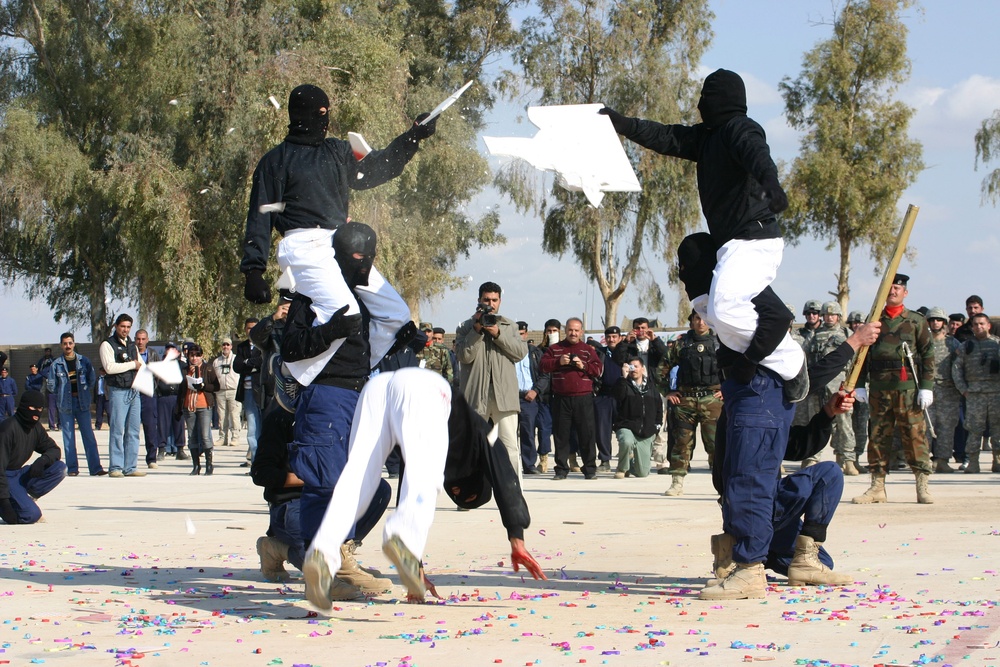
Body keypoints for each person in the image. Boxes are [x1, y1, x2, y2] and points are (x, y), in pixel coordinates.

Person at [600, 69, 804, 387]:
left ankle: (788, 360)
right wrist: (623, 124)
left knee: (724, 309)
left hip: (754, 239)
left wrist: (771, 185)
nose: (699, 104)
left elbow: (757, 156)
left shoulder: (740, 129)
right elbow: (666, 136)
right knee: (697, 264)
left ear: (721, 101)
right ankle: (759, 332)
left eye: (705, 99)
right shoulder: (705, 138)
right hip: (729, 244)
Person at [301, 367, 546, 609]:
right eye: (464, 495)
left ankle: (322, 552)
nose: (456, 492)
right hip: (426, 388)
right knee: (427, 481)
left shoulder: (429, 443)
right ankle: (403, 537)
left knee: (358, 480)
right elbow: (506, 478)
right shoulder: (484, 434)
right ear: (475, 487)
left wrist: (415, 568)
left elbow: (409, 486)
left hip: (378, 387)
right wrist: (517, 538)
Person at [241, 84, 434, 387]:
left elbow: (376, 168)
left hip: (338, 242)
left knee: (396, 314)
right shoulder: (276, 160)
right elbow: (259, 217)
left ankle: (358, 372)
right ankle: (292, 371)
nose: (326, 119)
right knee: (347, 313)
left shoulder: (337, 151)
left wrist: (412, 138)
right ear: (304, 115)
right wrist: (253, 269)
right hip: (302, 244)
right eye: (321, 113)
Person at [282, 222, 399, 601]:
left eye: (368, 260)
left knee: (372, 488)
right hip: (325, 398)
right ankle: (321, 569)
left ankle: (338, 558)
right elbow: (292, 348)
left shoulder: (367, 299)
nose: (362, 267)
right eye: (355, 259)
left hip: (357, 397)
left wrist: (404, 339)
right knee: (325, 485)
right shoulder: (311, 296)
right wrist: (331, 329)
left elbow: (374, 343)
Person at [853, 274, 935, 504]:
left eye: (897, 288)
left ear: (905, 292)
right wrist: (859, 385)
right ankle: (877, 486)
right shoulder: (874, 319)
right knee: (878, 436)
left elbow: (928, 354)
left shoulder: (917, 321)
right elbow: (862, 353)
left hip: (908, 389)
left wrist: (926, 387)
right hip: (879, 389)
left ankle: (922, 484)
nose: (893, 291)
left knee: (914, 436)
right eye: (889, 287)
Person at [455, 281, 528, 482]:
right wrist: (476, 330)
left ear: (500, 301)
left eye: (494, 300)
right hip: (475, 396)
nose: (490, 304)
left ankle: (515, 495)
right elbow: (463, 356)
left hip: (503, 396)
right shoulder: (465, 327)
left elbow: (520, 353)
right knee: (471, 447)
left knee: (510, 446)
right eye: (486, 299)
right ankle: (468, 493)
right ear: (479, 300)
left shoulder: (509, 326)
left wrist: (498, 334)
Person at [662, 311, 722, 496]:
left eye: (704, 318)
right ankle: (677, 482)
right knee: (681, 442)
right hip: (685, 400)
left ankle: (723, 484)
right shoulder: (682, 344)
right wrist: (667, 391)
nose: (701, 322)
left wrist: (728, 390)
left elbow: (735, 368)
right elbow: (662, 367)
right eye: (696, 318)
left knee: (715, 444)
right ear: (692, 322)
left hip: (712, 399)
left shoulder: (720, 343)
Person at [539, 317, 604, 480]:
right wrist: (558, 362)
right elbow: (543, 365)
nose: (573, 333)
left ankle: (589, 469)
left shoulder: (588, 350)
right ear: (565, 331)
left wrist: (583, 366)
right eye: (570, 330)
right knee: (561, 435)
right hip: (561, 398)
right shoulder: (555, 349)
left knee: (587, 434)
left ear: (581, 332)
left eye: (576, 330)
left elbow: (598, 370)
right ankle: (561, 469)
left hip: (583, 398)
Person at [801, 302, 857, 474]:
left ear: (839, 317)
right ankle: (811, 458)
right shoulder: (814, 335)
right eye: (826, 315)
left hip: (839, 385)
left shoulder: (846, 334)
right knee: (814, 421)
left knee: (844, 423)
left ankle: (847, 458)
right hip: (817, 386)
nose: (829, 317)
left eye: (833, 315)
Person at [1, 391, 67, 525]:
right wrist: (4, 504)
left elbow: (54, 450)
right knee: (31, 515)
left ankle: (26, 498)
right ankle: (15, 504)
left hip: (18, 474)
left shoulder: (35, 427)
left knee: (60, 468)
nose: (36, 413)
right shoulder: (8, 429)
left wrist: (42, 461)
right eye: (32, 409)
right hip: (5, 476)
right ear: (24, 406)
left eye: (40, 409)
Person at [46, 333, 106, 477]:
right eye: (65, 343)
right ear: (61, 345)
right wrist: (61, 393)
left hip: (82, 403)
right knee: (69, 438)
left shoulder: (83, 361)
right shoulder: (56, 364)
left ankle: (95, 468)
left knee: (89, 436)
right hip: (65, 405)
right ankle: (72, 468)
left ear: (74, 344)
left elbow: (91, 379)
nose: (68, 346)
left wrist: (84, 394)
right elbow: (51, 385)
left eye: (70, 343)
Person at [951, 312, 1000, 474]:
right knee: (974, 430)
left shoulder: (997, 344)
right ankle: (972, 462)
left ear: (988, 326)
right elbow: (956, 369)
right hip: (974, 394)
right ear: (972, 327)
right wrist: (963, 390)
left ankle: (997, 460)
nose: (979, 327)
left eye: (982, 324)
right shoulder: (965, 346)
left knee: (997, 429)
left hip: (995, 393)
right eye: (976, 324)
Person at [99, 313, 146, 478]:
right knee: (117, 430)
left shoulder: (132, 346)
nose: (125, 330)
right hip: (118, 391)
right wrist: (132, 364)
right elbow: (110, 368)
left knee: (133, 431)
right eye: (122, 327)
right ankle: (116, 467)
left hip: (134, 391)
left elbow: (143, 365)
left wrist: (137, 365)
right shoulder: (107, 345)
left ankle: (130, 467)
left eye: (128, 327)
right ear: (116, 327)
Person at [611, 357, 662, 478]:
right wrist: (623, 377)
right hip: (626, 425)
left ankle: (630, 464)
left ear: (642, 369)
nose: (633, 370)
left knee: (642, 473)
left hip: (646, 431)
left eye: (636, 366)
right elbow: (617, 396)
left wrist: (656, 427)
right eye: (630, 367)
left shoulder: (651, 388)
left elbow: (659, 408)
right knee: (627, 441)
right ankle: (622, 468)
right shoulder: (623, 384)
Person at [925, 307, 961, 473]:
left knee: (947, 427)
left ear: (944, 323)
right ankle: (924, 460)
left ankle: (942, 460)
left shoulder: (953, 344)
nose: (935, 323)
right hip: (927, 390)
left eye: (938, 320)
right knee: (925, 426)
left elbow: (961, 367)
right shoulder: (923, 342)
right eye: (932, 320)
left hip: (948, 392)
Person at [176, 345, 221, 475]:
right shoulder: (185, 370)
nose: (194, 358)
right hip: (189, 405)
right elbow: (181, 390)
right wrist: (178, 408)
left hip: (204, 404)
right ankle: (196, 466)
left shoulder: (208, 368)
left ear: (201, 356)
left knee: (205, 435)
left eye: (197, 355)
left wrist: (203, 386)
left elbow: (216, 386)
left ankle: (209, 464)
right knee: (192, 436)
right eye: (192, 355)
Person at [515, 321, 550, 475]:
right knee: (507, 433)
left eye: (522, 334)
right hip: (510, 397)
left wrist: (535, 391)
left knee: (528, 432)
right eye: (516, 334)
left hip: (528, 398)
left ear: (526, 334)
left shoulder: (535, 353)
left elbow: (545, 375)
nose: (519, 337)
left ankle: (529, 465)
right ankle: (509, 465)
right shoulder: (505, 353)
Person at [592, 326, 624, 472]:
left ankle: (626, 461)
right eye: (609, 337)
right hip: (603, 396)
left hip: (623, 397)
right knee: (602, 430)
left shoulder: (626, 353)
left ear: (620, 338)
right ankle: (605, 460)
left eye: (614, 337)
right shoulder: (599, 354)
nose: (611, 339)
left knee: (625, 429)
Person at [234, 318, 264, 467]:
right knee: (252, 428)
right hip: (247, 392)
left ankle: (265, 462)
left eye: (254, 328)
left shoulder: (265, 343)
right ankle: (255, 464)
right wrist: (250, 364)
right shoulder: (242, 347)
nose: (251, 331)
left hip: (263, 391)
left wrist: (248, 363)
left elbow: (262, 361)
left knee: (264, 427)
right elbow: (237, 366)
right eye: (248, 328)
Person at [134, 329, 161, 468]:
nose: (140, 342)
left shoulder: (153, 354)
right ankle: (130, 459)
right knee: (131, 428)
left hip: (148, 393)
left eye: (143, 339)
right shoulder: (131, 353)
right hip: (133, 392)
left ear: (147, 339)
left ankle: (151, 458)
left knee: (150, 426)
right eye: (138, 339)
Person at [213, 337, 242, 447]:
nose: (225, 347)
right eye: (224, 345)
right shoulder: (217, 361)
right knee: (222, 416)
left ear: (231, 346)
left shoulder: (236, 359)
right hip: (220, 391)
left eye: (227, 345)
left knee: (234, 415)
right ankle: (222, 437)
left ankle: (235, 437)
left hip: (233, 390)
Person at [36, 348, 59, 431]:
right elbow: (38, 369)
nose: (47, 353)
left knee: (58, 406)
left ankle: (60, 425)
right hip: (45, 380)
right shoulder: (42, 361)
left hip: (54, 381)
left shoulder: (53, 360)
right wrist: (44, 375)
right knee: (46, 399)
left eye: (49, 351)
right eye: (46, 351)